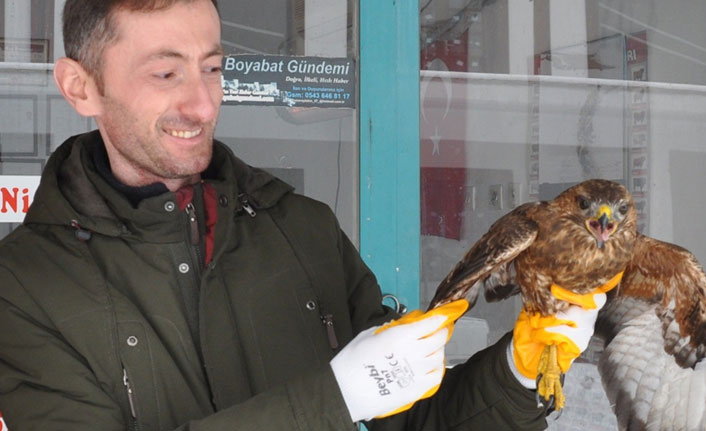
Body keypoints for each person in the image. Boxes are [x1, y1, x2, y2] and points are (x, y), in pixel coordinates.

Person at [0, 0, 604, 429]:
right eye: (166, 72)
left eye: (212, 67)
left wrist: (516, 374)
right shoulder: (25, 287)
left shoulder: (301, 230)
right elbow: (348, 399)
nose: (203, 101)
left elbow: (419, 421)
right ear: (81, 87)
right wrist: (335, 399)